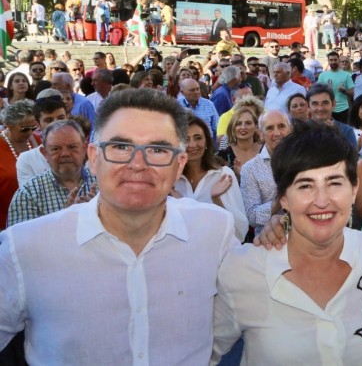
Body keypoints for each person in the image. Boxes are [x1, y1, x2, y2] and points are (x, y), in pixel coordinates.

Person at [0, 88, 237, 364]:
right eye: (120, 147)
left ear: (179, 164)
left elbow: (235, 317)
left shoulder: (214, 230)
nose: (138, 164)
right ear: (93, 157)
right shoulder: (26, 248)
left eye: (158, 149)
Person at [212, 121, 362, 363]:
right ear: (283, 198)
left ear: (354, 190)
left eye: (335, 183)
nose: (322, 200)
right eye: (305, 185)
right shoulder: (242, 270)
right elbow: (201, 352)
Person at [176, 112, 248, 241]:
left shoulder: (223, 175)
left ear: (207, 141)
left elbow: (239, 232)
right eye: (186, 139)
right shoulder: (169, 180)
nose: (193, 145)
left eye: (198, 138)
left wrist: (216, 199)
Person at [7, 120, 95, 226]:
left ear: (84, 148)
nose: (65, 154)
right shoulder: (28, 195)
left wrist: (100, 214)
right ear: (45, 154)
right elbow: (20, 241)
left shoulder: (103, 184)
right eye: (56, 149)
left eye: (72, 147)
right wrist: (64, 218)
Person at [242, 110, 290, 237]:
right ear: (260, 134)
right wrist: (283, 197)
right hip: (268, 240)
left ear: (290, 130)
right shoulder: (250, 169)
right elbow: (252, 218)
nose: (277, 133)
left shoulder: (305, 161)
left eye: (281, 126)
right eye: (269, 128)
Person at [0, 101, 39, 229]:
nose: (29, 133)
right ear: (8, 125)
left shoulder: (37, 142)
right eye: (24, 129)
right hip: (4, 220)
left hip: (35, 216)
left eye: (33, 128)